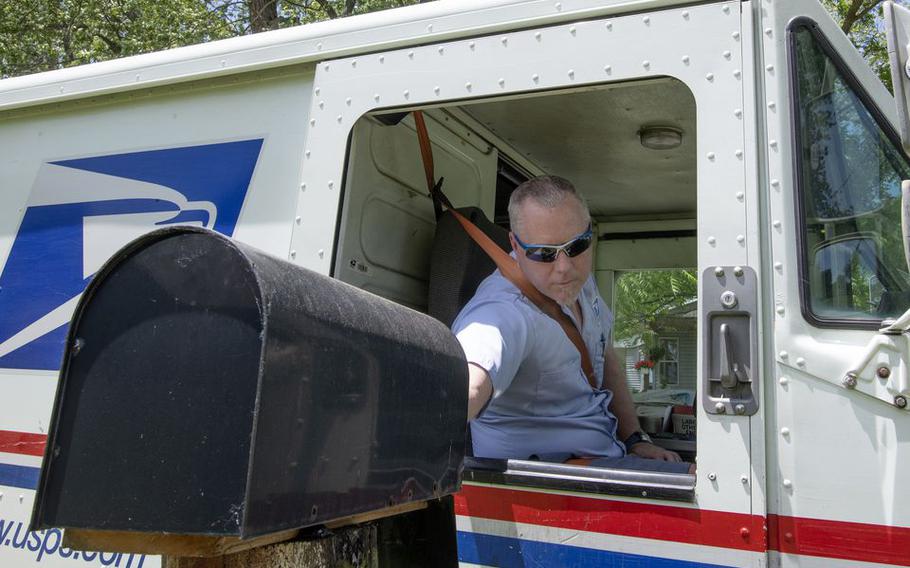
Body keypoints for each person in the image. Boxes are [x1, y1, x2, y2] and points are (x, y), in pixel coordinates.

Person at [452, 175, 692, 473]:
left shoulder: (581, 282)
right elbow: (466, 386)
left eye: (577, 246)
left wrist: (634, 438)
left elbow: (605, 355)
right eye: (544, 253)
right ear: (514, 243)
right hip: (550, 485)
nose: (564, 268)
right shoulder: (502, 311)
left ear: (590, 232)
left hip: (607, 457)